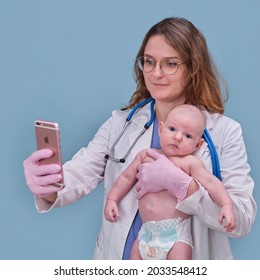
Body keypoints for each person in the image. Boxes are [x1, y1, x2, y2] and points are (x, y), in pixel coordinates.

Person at [23, 17, 256, 259]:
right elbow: (79, 174)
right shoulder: (121, 124)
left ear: (193, 68)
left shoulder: (225, 132)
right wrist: (48, 184)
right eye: (149, 62)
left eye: (170, 64)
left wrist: (185, 187)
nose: (156, 73)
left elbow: (242, 219)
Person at [104, 104, 237, 260]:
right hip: (145, 234)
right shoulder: (146, 155)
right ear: (161, 129)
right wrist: (112, 199)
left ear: (198, 145)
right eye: (172, 129)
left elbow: (212, 183)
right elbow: (126, 177)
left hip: (176, 236)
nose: (178, 137)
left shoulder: (189, 163)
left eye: (188, 136)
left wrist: (227, 205)